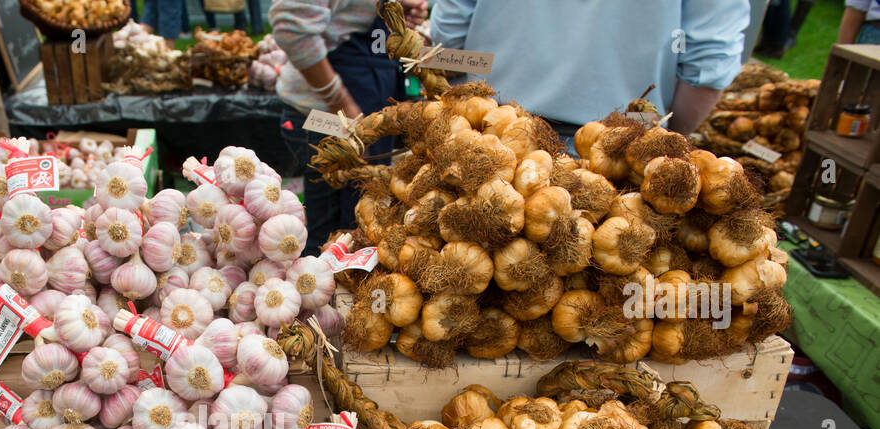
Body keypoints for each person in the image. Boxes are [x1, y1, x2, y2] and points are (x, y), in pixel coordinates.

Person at [429, 0, 749, 138]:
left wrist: (475, 88)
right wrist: (665, 132)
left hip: (486, 130)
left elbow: (450, 32)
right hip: (624, 142)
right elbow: (709, 67)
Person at [273, 0, 427, 253]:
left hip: (369, 112)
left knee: (362, 223)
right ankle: (320, 286)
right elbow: (292, 27)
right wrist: (340, 104)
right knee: (328, 235)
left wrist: (395, 8)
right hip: (327, 117)